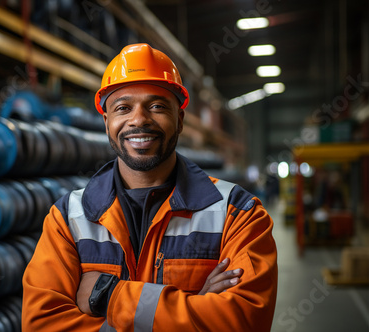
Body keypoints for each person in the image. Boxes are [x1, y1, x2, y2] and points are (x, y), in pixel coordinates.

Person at [22, 43, 278, 331]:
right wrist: (195, 306)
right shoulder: (68, 218)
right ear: (107, 122)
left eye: (156, 106)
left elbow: (245, 321)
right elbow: (41, 323)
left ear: (179, 120)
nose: (139, 119)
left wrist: (109, 296)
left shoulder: (238, 214)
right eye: (123, 108)